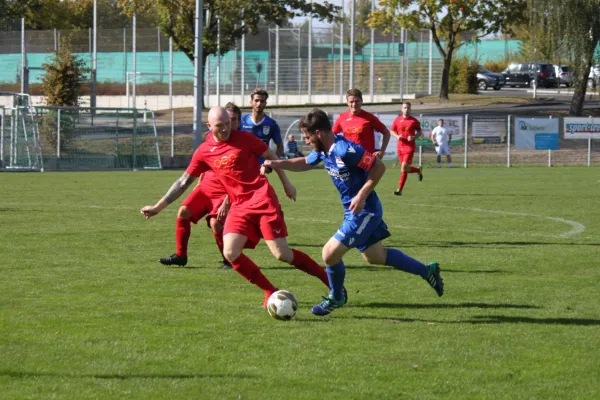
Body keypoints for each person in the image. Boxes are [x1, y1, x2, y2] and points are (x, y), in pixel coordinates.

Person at [141, 107, 335, 308]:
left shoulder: (244, 138)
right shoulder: (203, 152)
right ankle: (270, 291)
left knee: (282, 255)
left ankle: (333, 286)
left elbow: (270, 154)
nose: (225, 129)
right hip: (239, 206)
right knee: (231, 253)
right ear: (209, 127)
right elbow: (183, 182)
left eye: (227, 124)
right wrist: (158, 207)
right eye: (219, 126)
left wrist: (286, 183)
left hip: (263, 200)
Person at [263, 108, 444, 316]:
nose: (306, 141)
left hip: (364, 211)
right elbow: (305, 162)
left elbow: (378, 167)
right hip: (356, 210)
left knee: (329, 254)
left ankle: (337, 296)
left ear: (318, 133)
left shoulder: (344, 149)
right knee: (376, 256)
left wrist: (361, 195)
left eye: (307, 137)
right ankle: (427, 271)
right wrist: (276, 163)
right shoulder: (324, 149)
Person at [150, 103, 244, 270]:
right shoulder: (210, 139)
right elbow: (201, 166)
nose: (226, 126)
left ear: (237, 122)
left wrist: (227, 201)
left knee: (216, 223)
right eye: (221, 123)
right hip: (206, 188)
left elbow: (241, 179)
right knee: (183, 212)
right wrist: (158, 207)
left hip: (225, 193)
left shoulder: (242, 144)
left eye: (231, 121)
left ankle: (229, 261)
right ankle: (180, 256)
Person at [332, 88, 391, 159]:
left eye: (357, 101)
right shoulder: (342, 118)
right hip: (348, 159)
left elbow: (386, 133)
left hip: (366, 159)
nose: (354, 104)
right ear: (347, 102)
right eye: (351, 102)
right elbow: (332, 135)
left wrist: (382, 151)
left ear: (361, 101)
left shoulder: (369, 118)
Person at [390, 101, 424, 196]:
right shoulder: (397, 120)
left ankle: (399, 190)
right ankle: (418, 170)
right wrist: (397, 136)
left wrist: (414, 137)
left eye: (408, 108)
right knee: (405, 168)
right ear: (402, 109)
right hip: (400, 146)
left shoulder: (414, 121)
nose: (406, 109)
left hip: (409, 147)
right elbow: (392, 131)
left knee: (404, 167)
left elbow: (420, 132)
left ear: (410, 109)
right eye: (405, 107)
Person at [240, 88, 283, 158]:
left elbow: (280, 148)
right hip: (244, 166)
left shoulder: (271, 124)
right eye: (256, 100)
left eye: (262, 101)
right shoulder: (241, 120)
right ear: (251, 102)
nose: (259, 104)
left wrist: (270, 165)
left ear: (265, 103)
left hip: (262, 167)